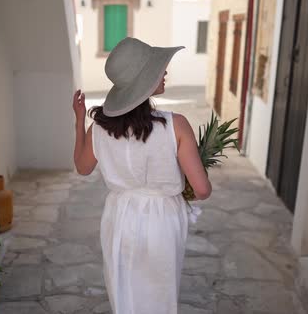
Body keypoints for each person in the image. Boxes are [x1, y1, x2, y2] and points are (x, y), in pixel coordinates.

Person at [72, 37, 212, 314]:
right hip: (162, 219)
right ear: (144, 82)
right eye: (158, 69)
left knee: (124, 290)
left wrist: (79, 122)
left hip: (119, 215)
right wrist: (180, 188)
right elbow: (202, 190)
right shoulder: (176, 125)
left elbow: (82, 167)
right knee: (159, 294)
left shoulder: (98, 129)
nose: (165, 72)